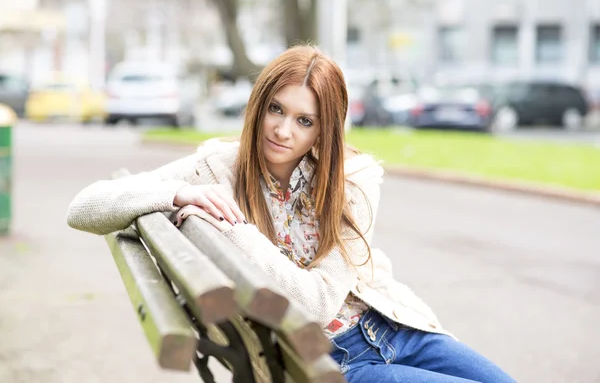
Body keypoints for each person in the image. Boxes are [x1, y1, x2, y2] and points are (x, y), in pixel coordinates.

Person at [67, 45, 516, 383]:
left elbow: (319, 296)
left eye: (305, 120)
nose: (283, 130)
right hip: (326, 358)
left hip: (393, 328)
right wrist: (181, 194)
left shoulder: (353, 181)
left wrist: (229, 229)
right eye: (276, 110)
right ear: (258, 106)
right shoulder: (215, 169)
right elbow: (83, 206)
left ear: (325, 129)